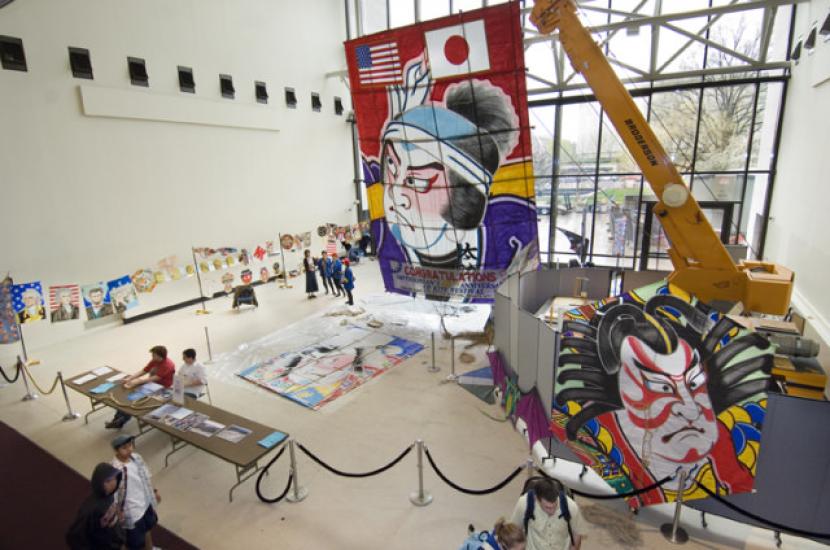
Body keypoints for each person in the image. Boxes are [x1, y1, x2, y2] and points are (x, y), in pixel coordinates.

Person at [110, 435, 161, 550]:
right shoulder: (115, 469)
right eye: (124, 448)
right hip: (132, 511)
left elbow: (146, 476)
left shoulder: (136, 457)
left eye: (130, 445)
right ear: (116, 450)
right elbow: (114, 495)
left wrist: (153, 491)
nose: (130, 450)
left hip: (145, 502)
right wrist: (118, 512)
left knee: (147, 528)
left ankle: (150, 548)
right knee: (134, 542)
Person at [106, 345, 175, 429]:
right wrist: (130, 378)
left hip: (161, 387)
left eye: (153, 355)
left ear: (160, 356)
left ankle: (120, 421)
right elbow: (144, 370)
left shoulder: (167, 365)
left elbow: (155, 378)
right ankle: (117, 419)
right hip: (151, 383)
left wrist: (138, 381)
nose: (152, 357)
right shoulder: (155, 360)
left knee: (135, 399)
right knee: (128, 397)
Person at [510, 478, 584, 550]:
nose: (552, 511)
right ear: (537, 499)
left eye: (555, 506)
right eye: (547, 507)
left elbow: (576, 534)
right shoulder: (524, 504)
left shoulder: (571, 507)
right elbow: (513, 530)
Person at [66, 462, 124, 550]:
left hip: (114, 541)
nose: (113, 483)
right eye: (108, 481)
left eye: (114, 478)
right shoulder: (90, 509)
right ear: (99, 483)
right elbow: (74, 536)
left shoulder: (111, 496)